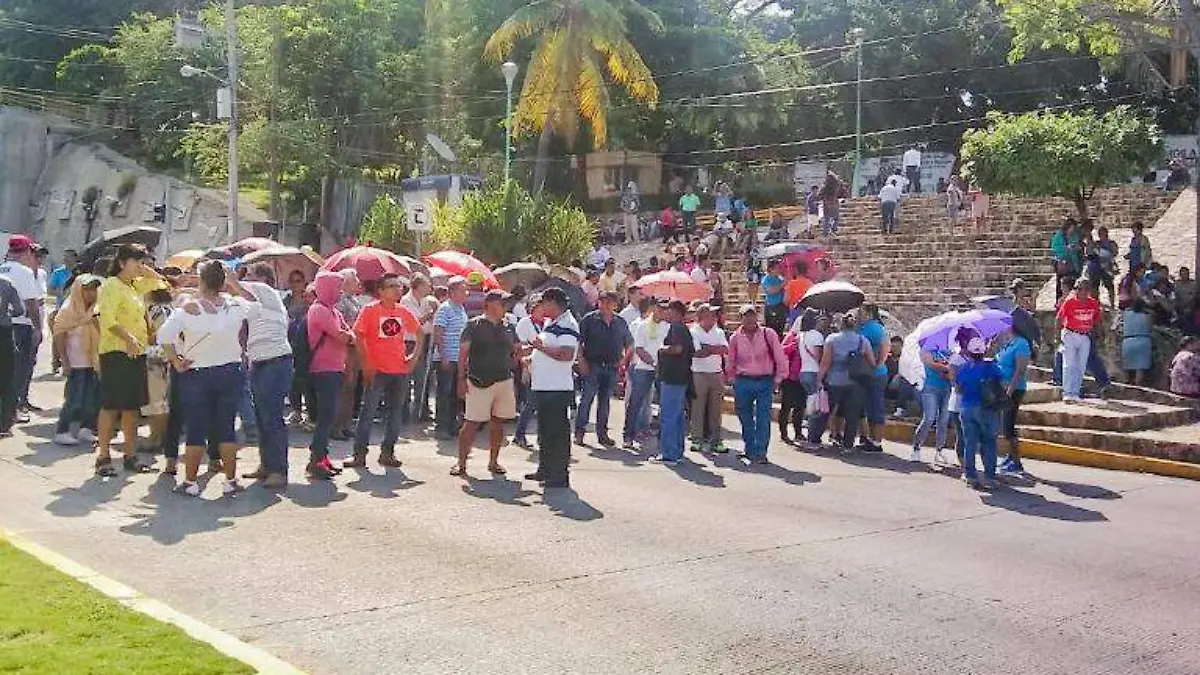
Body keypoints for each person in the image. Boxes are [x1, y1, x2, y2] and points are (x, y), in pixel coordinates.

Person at [157, 260, 255, 496]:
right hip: (230, 371)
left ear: (201, 281)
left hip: (197, 372)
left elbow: (163, 336)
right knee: (226, 428)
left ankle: (190, 482)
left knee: (196, 428)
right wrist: (235, 284)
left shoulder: (189, 308)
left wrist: (176, 362)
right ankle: (230, 479)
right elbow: (255, 305)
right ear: (223, 283)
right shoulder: (234, 306)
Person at [94, 244, 161, 476]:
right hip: (116, 352)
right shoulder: (111, 285)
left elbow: (161, 284)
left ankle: (130, 455)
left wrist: (146, 269)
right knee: (111, 406)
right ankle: (103, 456)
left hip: (137, 353)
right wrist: (128, 337)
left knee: (132, 407)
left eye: (142, 262)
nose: (140, 267)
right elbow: (108, 319)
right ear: (122, 262)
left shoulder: (134, 287)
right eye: (136, 262)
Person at [344, 273, 421, 469]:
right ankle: (359, 454)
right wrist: (366, 363)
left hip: (399, 370)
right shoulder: (370, 310)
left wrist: (413, 358)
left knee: (395, 414)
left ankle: (388, 452)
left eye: (399, 285)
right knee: (368, 412)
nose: (398, 289)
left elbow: (419, 332)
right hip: (376, 370)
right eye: (392, 286)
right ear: (381, 291)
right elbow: (359, 336)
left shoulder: (403, 311)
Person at [234, 263, 294, 489]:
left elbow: (238, 289)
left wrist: (230, 278)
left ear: (264, 279)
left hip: (275, 362)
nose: (246, 279)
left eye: (250, 275)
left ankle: (279, 470)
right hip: (260, 363)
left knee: (272, 417)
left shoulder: (267, 293)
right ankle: (267, 464)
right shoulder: (253, 304)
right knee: (261, 417)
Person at [451, 290, 517, 476]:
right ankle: (461, 463)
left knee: (498, 422)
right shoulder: (474, 325)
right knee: (471, 422)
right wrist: (461, 379)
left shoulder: (508, 326)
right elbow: (463, 354)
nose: (505, 307)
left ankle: (493, 462)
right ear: (489, 304)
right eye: (501, 302)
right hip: (479, 380)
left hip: (503, 379)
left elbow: (516, 349)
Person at [526, 288, 579, 489]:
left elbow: (566, 354)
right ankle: (545, 469)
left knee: (557, 431)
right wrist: (531, 357)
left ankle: (559, 474)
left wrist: (540, 349)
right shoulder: (552, 323)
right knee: (545, 430)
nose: (541, 307)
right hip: (544, 385)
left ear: (553, 303)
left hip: (557, 388)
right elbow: (547, 348)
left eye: (544, 303)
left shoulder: (567, 324)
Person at [306, 271, 355, 479]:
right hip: (322, 369)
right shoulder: (319, 310)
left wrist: (348, 336)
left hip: (335, 368)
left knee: (330, 414)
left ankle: (322, 456)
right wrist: (347, 336)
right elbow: (343, 336)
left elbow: (349, 335)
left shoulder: (334, 311)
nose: (340, 292)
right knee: (327, 415)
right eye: (337, 287)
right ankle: (316, 460)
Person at [725, 305, 787, 464]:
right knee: (744, 416)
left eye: (752, 315)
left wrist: (778, 378)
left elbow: (780, 356)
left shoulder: (768, 334)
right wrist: (731, 377)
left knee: (763, 417)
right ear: (741, 318)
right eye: (746, 316)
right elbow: (731, 359)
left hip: (764, 380)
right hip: (743, 380)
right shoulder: (735, 337)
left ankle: (760, 452)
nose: (750, 319)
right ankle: (750, 448)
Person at [575, 291, 632, 447]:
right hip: (592, 364)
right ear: (598, 302)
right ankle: (579, 432)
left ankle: (602, 434)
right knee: (586, 399)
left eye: (610, 302)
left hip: (612, 366)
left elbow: (629, 344)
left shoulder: (620, 322)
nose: (606, 305)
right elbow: (578, 343)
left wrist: (623, 361)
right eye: (603, 301)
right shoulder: (589, 320)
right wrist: (581, 362)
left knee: (605, 401)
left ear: (615, 304)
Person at [811, 313, 875, 451]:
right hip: (855, 383)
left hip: (834, 381)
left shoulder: (832, 339)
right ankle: (848, 445)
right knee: (852, 415)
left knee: (826, 411)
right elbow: (872, 362)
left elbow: (825, 362)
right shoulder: (862, 340)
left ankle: (815, 439)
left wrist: (819, 379)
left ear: (841, 325)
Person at [51, 273, 101, 446]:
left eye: (94, 289)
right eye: (87, 289)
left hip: (93, 362)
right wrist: (64, 361)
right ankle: (62, 430)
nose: (91, 293)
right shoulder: (68, 310)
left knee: (92, 398)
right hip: (76, 362)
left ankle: (86, 428)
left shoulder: (96, 310)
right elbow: (59, 335)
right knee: (74, 398)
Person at [953, 329, 1004, 490]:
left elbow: (959, 389)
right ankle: (989, 477)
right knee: (989, 442)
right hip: (985, 408)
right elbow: (1002, 382)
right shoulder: (991, 367)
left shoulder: (963, 368)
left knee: (970, 443)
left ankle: (970, 476)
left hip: (966, 408)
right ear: (983, 352)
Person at [0, 236, 44, 416]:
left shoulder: (1, 269)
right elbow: (31, 304)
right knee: (19, 370)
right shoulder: (24, 272)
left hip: (4, 323)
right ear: (26, 251)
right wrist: (38, 328)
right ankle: (13, 410)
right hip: (20, 326)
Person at [653, 300, 694, 465]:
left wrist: (662, 350)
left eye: (668, 310)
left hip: (673, 378)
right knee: (676, 416)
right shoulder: (683, 328)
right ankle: (677, 451)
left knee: (669, 416)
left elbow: (677, 349)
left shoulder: (677, 328)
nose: (665, 313)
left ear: (675, 311)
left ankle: (669, 453)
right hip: (680, 378)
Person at [623, 299, 667, 448]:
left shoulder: (668, 327)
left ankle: (662, 438)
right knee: (636, 402)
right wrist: (652, 362)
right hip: (643, 368)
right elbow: (639, 348)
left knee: (663, 404)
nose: (662, 311)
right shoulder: (642, 325)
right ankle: (628, 435)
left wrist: (660, 364)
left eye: (665, 309)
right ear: (654, 308)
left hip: (662, 369)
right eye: (660, 308)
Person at [433, 277, 470, 440]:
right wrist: (443, 356)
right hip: (448, 357)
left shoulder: (461, 309)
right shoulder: (444, 309)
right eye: (463, 290)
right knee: (444, 393)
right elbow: (438, 333)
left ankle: (452, 424)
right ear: (453, 292)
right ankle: (441, 427)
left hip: (459, 358)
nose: (466, 293)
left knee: (456, 393)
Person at [1057, 277, 1104, 403]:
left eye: (1084, 289)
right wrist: (1058, 338)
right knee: (1069, 364)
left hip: (1085, 336)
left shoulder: (1093, 303)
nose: (1081, 292)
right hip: (1070, 334)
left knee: (1081, 366)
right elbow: (1059, 319)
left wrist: (1100, 335)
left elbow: (1097, 320)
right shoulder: (1069, 302)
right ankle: (1067, 392)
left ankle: (1075, 392)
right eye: (1078, 289)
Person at [689, 304, 728, 453]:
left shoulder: (718, 332)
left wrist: (709, 348)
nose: (714, 317)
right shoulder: (693, 332)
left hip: (716, 373)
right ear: (702, 317)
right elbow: (697, 353)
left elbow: (725, 349)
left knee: (716, 409)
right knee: (697, 408)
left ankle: (716, 440)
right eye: (710, 314)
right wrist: (714, 349)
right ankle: (696, 439)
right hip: (698, 373)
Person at [994, 327, 1032, 476]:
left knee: (1007, 426)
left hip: (1014, 390)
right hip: (1003, 388)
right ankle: (1010, 457)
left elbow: (1020, 370)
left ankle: (1016, 463)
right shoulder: (1008, 342)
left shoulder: (1021, 344)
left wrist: (1009, 390)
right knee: (1006, 426)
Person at [911, 339, 953, 465]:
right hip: (930, 388)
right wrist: (947, 367)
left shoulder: (949, 351)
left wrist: (949, 368)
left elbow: (955, 367)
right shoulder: (926, 349)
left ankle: (939, 449)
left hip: (947, 388)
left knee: (944, 420)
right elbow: (930, 363)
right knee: (929, 418)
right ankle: (916, 447)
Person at [399, 274, 433, 425]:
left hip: (423, 341)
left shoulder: (425, 301)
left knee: (422, 379)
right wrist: (428, 315)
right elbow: (413, 323)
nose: (430, 288)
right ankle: (403, 413)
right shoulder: (406, 301)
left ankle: (419, 412)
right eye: (427, 285)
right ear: (418, 286)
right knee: (406, 378)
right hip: (409, 342)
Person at [858, 304, 890, 451]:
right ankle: (870, 438)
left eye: (861, 312)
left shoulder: (874, 328)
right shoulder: (865, 327)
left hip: (875, 374)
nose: (859, 315)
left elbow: (885, 346)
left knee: (876, 407)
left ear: (869, 314)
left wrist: (878, 364)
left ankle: (877, 441)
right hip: (867, 373)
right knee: (869, 407)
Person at [1121, 299, 1154, 386]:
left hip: (1127, 341)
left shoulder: (1126, 314)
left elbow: (1126, 309)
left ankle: (1126, 383)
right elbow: (1150, 328)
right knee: (1140, 367)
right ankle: (1137, 385)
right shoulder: (1147, 316)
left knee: (1127, 365)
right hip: (1142, 340)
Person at [1089, 226, 1119, 307]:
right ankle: (1095, 303)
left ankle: (1112, 304)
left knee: (1110, 286)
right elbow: (1090, 253)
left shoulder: (1111, 243)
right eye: (1100, 234)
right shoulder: (1096, 244)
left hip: (1107, 268)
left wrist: (1105, 253)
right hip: (1097, 268)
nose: (1101, 235)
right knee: (1094, 286)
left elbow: (1114, 253)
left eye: (1103, 233)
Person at [1051, 219, 1080, 300]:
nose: (1073, 230)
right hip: (1061, 263)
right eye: (1072, 228)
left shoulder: (1074, 235)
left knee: (1071, 283)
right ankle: (1060, 301)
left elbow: (1076, 245)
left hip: (1072, 263)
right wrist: (1066, 248)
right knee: (1061, 284)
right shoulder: (1059, 236)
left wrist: (1076, 247)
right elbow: (1055, 248)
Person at [818, 172, 848, 237]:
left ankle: (826, 232)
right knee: (835, 218)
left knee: (827, 219)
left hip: (828, 203)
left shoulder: (825, 186)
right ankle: (831, 230)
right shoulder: (836, 185)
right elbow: (844, 193)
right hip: (833, 203)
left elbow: (820, 195)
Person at [761, 261, 786, 336]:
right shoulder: (766, 279)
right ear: (771, 269)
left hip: (781, 306)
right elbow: (771, 291)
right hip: (772, 307)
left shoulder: (779, 278)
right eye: (777, 268)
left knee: (780, 330)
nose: (779, 270)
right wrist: (783, 284)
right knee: (772, 331)